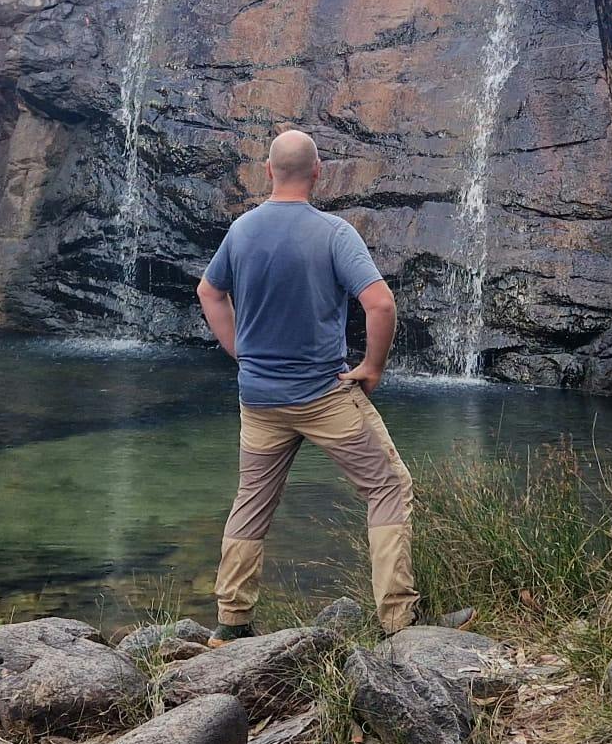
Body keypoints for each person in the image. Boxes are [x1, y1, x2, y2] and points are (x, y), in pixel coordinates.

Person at [197, 128, 463, 643]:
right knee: (388, 487)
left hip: (259, 399)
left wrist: (240, 351)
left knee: (252, 499)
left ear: (268, 171)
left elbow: (209, 291)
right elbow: (381, 304)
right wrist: (372, 367)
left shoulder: (242, 230)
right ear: (318, 172)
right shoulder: (334, 233)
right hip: (322, 396)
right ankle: (398, 622)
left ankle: (231, 622)